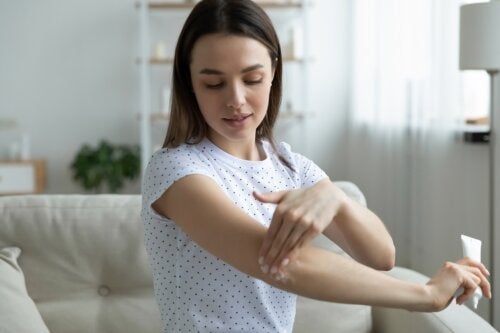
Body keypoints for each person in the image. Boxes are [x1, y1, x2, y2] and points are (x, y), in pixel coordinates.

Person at [140, 0, 491, 332]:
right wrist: (424, 295)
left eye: (252, 79)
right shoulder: (175, 170)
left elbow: (381, 255)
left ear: (274, 72)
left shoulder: (290, 166)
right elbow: (283, 266)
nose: (236, 99)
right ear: (189, 84)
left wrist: (334, 197)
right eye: (213, 83)